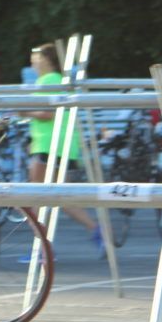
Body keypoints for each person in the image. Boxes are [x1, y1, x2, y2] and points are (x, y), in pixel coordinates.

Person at [21, 43, 102, 254]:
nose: (32, 62)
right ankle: (93, 228)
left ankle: (42, 248)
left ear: (47, 59)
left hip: (50, 144)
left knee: (34, 197)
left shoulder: (49, 80)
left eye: (35, 57)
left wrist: (24, 112)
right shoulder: (54, 80)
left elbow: (49, 113)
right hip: (55, 144)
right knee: (58, 197)